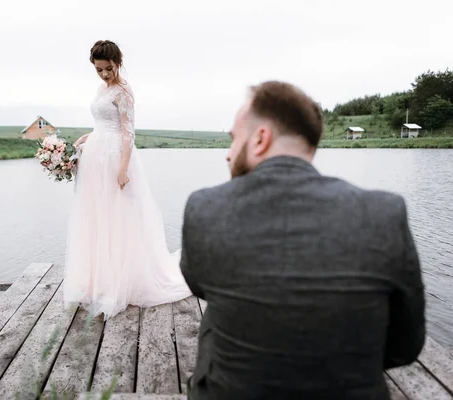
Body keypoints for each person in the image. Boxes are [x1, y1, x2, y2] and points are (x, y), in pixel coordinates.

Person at [180, 81, 426, 399]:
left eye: (233, 139)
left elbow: (200, 285)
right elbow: (406, 347)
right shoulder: (385, 211)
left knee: (217, 312)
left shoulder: (205, 207)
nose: (228, 155)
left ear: (260, 139)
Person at [63, 40, 191, 319]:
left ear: (118, 63)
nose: (105, 74)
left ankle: (125, 280)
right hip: (96, 156)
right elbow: (103, 124)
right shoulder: (101, 89)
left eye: (108, 69)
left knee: (121, 216)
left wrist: (123, 169)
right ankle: (101, 278)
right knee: (98, 216)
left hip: (116, 159)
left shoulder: (124, 92)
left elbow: (127, 132)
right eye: (99, 70)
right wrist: (88, 137)